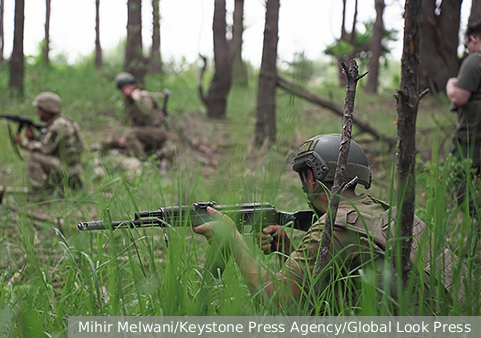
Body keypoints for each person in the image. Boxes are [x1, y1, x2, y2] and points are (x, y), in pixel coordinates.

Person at [194, 134, 464, 312]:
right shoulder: (384, 212)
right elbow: (345, 281)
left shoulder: (334, 226)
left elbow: (278, 299)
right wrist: (287, 253)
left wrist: (233, 239)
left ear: (311, 176)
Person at [14, 92, 84, 191]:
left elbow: (44, 148)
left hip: (67, 168)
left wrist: (22, 142)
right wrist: (33, 138)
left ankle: (39, 191)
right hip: (72, 166)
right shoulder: (64, 122)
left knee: (35, 156)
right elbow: (52, 145)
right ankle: (56, 186)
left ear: (48, 110)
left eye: (40, 110)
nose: (38, 113)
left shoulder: (58, 125)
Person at [446, 22, 481, 213]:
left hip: (472, 142)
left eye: (468, 45)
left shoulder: (475, 60)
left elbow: (459, 96)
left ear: (473, 39)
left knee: (459, 184)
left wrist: (451, 84)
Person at [115, 72, 169, 159]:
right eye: (122, 89)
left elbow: (146, 111)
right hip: (146, 131)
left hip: (158, 131)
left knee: (130, 133)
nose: (125, 91)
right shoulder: (129, 102)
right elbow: (134, 123)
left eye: (127, 87)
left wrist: (138, 99)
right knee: (127, 133)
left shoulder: (144, 96)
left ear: (133, 86)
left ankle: (143, 161)